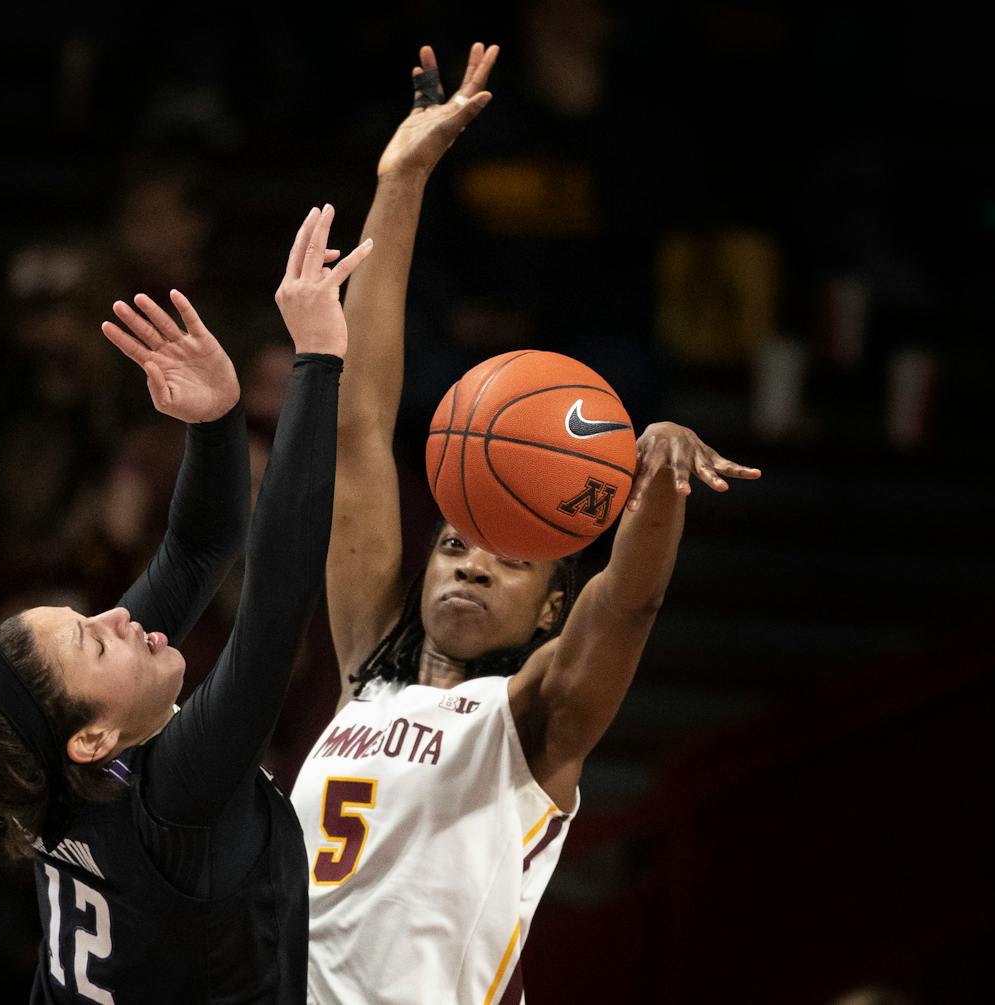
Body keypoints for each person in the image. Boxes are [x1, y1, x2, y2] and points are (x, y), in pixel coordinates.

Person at [289, 44, 761, 1004]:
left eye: (508, 565)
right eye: (456, 546)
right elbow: (360, 425)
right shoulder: (366, 664)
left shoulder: (535, 720)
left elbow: (627, 607)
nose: (467, 568)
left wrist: (657, 484)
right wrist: (404, 180)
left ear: (551, 612)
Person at [0, 204, 372, 1003]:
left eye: (84, 619)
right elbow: (276, 597)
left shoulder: (69, 769)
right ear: (91, 735)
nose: (121, 615)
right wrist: (317, 361)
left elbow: (199, 546)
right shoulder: (172, 800)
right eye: (93, 642)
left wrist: (213, 422)